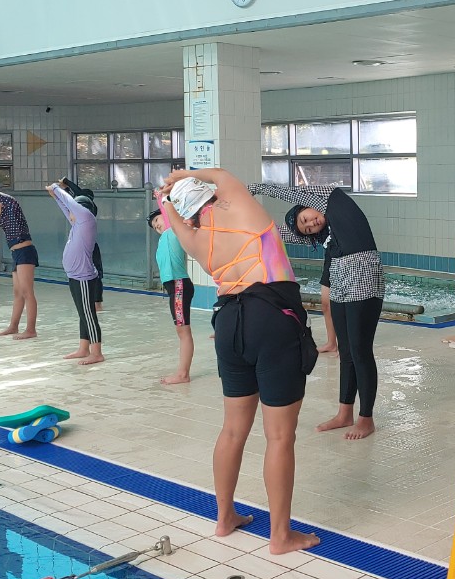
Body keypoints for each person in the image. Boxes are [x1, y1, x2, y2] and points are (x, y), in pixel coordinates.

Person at [160, 168, 319, 555]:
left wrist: (165, 200)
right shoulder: (244, 210)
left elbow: (170, 214)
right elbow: (221, 174)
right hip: (272, 318)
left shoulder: (192, 237)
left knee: (233, 430)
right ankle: (280, 536)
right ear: (210, 194)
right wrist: (181, 173)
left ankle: (224, 516)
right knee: (280, 435)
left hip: (228, 322)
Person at [247, 181, 384, 440]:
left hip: (364, 279)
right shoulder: (324, 235)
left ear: (309, 206)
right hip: (341, 282)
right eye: (306, 227)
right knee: (346, 352)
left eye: (306, 218)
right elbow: (272, 232)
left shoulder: (331, 200)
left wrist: (258, 188)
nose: (310, 223)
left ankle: (366, 418)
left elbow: (292, 193)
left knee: (360, 351)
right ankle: (345, 412)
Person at [46, 181, 103, 365]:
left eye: (74, 211)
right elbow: (66, 207)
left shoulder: (86, 218)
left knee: (88, 314)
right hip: (75, 276)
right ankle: (83, 348)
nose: (69, 215)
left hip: (84, 278)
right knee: (82, 313)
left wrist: (56, 188)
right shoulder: (78, 223)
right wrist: (56, 197)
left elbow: (69, 203)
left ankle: (96, 352)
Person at [0, 185, 38, 339]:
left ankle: (31, 329)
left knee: (27, 292)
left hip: (25, 252)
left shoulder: (12, 205)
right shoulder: (2, 220)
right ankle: (13, 326)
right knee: (18, 292)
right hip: (16, 254)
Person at [149, 199, 195, 385]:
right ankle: (183, 372)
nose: (157, 226)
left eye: (157, 220)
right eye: (154, 226)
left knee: (183, 331)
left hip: (179, 286)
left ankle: (183, 374)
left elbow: (169, 215)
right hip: (175, 287)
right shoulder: (165, 238)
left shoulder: (173, 231)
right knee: (181, 330)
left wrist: (161, 197)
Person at [61, 178, 103, 311]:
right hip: (84, 244)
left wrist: (66, 182)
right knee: (94, 273)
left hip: (87, 245)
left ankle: (97, 303)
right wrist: (65, 188)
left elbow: (78, 194)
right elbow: (74, 196)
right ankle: (93, 302)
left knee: (96, 273)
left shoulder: (87, 208)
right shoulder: (80, 206)